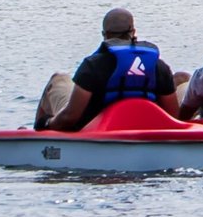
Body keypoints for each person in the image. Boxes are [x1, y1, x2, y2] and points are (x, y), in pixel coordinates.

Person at [36, 8, 183, 132]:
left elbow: (70, 117)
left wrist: (47, 123)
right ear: (133, 31)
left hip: (95, 130)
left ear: (104, 35)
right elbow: (173, 116)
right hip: (145, 128)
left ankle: (37, 136)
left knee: (58, 79)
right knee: (183, 78)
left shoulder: (92, 66)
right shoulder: (159, 66)